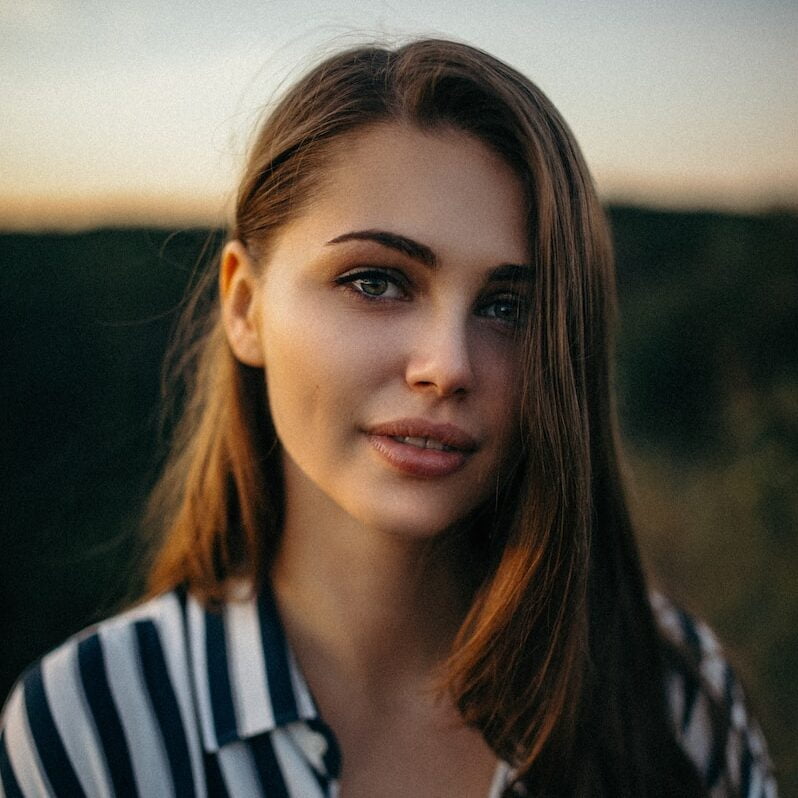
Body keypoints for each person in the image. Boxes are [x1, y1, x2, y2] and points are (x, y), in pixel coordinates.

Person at [0, 38, 777, 798]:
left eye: (509, 306)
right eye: (376, 282)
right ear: (244, 305)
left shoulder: (673, 697)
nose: (448, 365)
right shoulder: (92, 726)